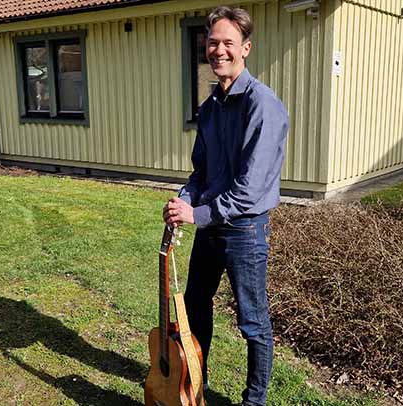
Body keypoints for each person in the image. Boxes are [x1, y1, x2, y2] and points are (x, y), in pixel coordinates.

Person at [162, 6, 289, 406]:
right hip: (210, 227)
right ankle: (195, 387)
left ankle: (254, 401)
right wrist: (183, 201)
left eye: (228, 43)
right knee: (195, 308)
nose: (219, 50)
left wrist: (196, 214)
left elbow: (250, 190)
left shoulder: (262, 105)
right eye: (212, 42)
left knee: (253, 322)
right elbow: (201, 173)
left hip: (244, 230)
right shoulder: (210, 107)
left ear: (245, 48)